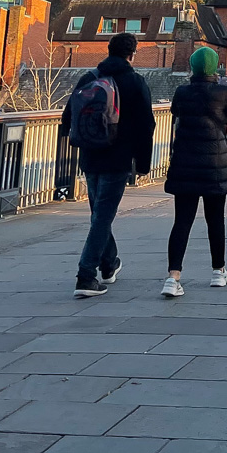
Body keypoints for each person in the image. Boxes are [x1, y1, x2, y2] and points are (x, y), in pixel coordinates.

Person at [60, 31, 156, 298]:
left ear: (109, 51)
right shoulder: (135, 82)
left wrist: (73, 139)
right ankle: (86, 275)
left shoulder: (90, 78)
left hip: (90, 155)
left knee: (99, 215)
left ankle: (109, 263)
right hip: (118, 158)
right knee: (102, 217)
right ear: (132, 54)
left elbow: (68, 115)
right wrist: (143, 164)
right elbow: (147, 125)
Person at [161, 45, 227, 297]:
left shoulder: (182, 92)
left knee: (182, 221)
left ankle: (173, 277)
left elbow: (175, 112)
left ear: (193, 67)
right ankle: (218, 272)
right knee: (215, 220)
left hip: (185, 164)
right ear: (215, 68)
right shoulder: (223, 92)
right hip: (214, 166)